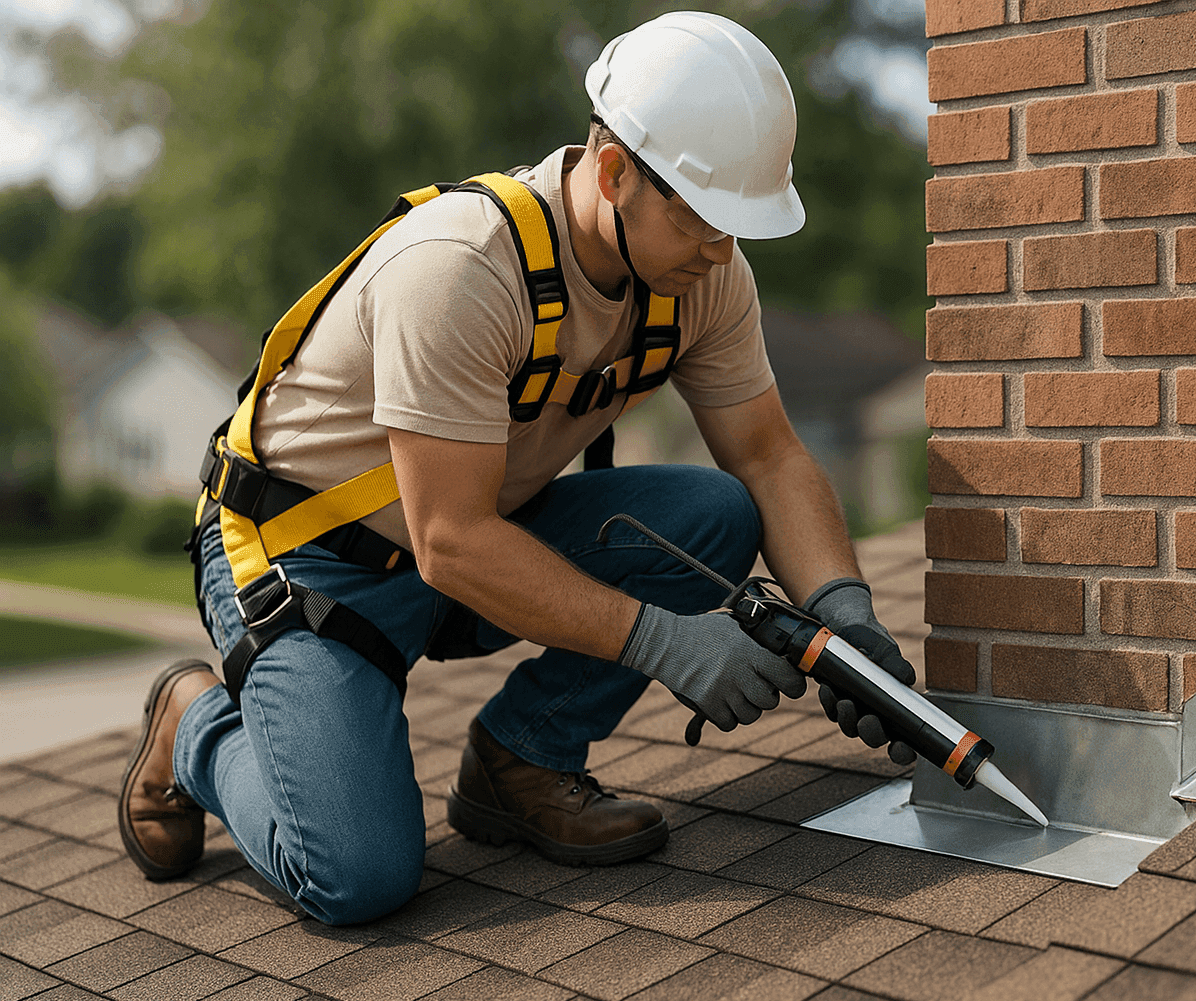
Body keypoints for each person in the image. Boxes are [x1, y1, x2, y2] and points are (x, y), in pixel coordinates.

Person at [117, 10, 915, 927]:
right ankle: (193, 724)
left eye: (737, 225)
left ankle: (520, 762)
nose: (721, 251)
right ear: (614, 173)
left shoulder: (702, 276)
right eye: (702, 218)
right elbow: (451, 541)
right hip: (311, 564)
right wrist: (666, 642)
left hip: (467, 545)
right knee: (356, 874)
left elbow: (770, 456)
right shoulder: (460, 268)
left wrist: (847, 617)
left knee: (717, 516)